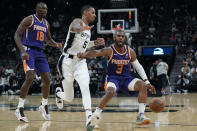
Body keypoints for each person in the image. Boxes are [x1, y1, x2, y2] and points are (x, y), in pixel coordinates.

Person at [77, 30, 156, 127]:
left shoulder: (130, 51)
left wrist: (147, 82)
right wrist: (83, 54)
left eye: (122, 36)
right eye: (118, 36)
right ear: (114, 38)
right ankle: (96, 115)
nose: (120, 38)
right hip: (113, 79)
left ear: (125, 38)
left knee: (142, 85)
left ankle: (141, 116)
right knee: (110, 92)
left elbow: (138, 67)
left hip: (126, 79)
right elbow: (96, 52)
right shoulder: (109, 50)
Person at [55, 5, 104, 131]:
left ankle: (89, 119)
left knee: (85, 87)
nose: (94, 15)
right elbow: (73, 28)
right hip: (66, 61)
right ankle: (58, 94)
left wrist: (95, 43)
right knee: (69, 98)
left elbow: (83, 46)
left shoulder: (88, 30)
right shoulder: (78, 21)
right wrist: (82, 28)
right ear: (86, 13)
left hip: (80, 62)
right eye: (93, 12)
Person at [14, 2, 62, 122]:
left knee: (47, 78)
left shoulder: (46, 23)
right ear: (36, 9)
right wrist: (22, 51)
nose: (43, 9)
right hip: (28, 51)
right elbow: (16, 35)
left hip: (40, 52)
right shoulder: (29, 19)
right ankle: (19, 108)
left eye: (45, 8)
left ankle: (44, 105)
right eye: (41, 7)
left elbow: (48, 40)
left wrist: (56, 44)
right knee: (30, 77)